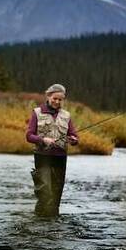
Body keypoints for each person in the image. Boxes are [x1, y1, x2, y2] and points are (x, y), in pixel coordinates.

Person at [25, 84, 79, 217]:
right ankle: (39, 221)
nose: (57, 102)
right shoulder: (37, 112)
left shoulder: (66, 115)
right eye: (55, 98)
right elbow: (29, 136)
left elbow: (74, 136)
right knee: (45, 191)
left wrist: (73, 139)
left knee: (56, 194)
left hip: (60, 157)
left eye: (60, 100)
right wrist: (43, 140)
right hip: (42, 156)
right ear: (48, 96)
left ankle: (53, 224)